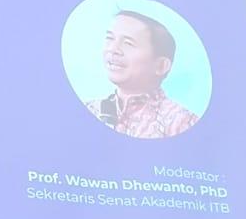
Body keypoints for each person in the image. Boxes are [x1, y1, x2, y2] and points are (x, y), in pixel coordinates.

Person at [85, 10, 200, 139]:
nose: (113, 49)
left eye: (128, 43)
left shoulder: (181, 122)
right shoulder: (91, 109)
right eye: (110, 38)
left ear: (161, 66)